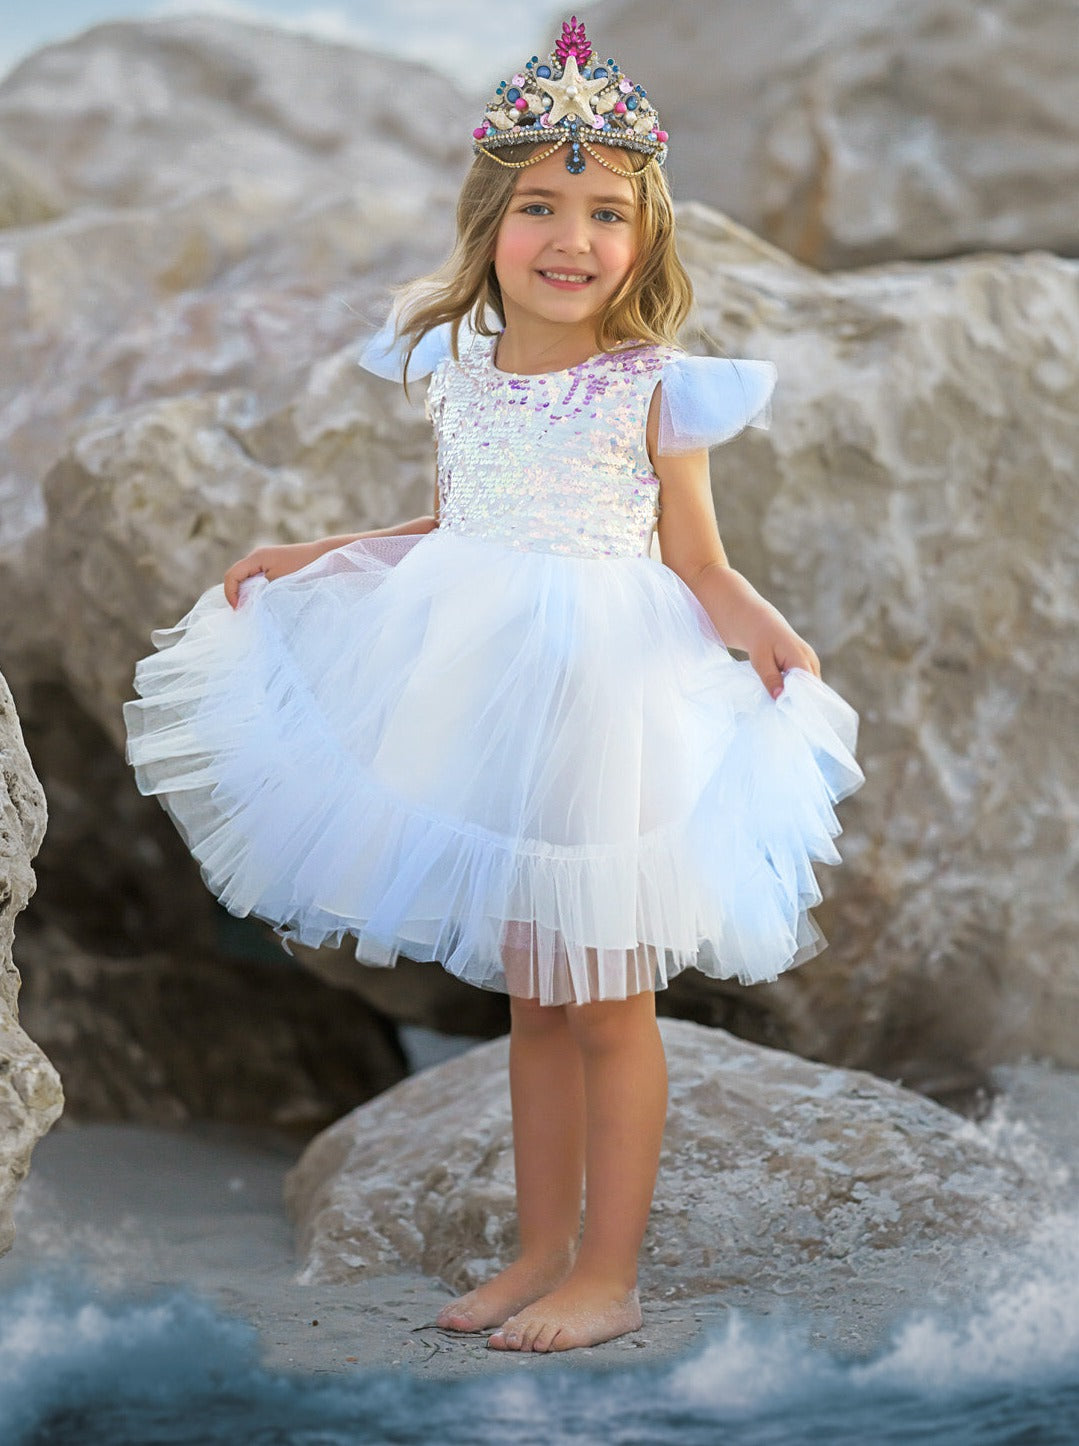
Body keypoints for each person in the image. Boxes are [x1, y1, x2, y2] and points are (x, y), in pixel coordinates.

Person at [124, 16, 865, 1353]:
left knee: (609, 1000)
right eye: (540, 207)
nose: (571, 238)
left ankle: (609, 1273)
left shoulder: (656, 389)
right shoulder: (459, 371)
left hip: (609, 699)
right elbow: (454, 525)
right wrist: (317, 555)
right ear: (490, 223)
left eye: (605, 214)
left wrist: (761, 628)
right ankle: (539, 1249)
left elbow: (697, 559)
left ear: (645, 240)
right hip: (492, 697)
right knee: (533, 1000)